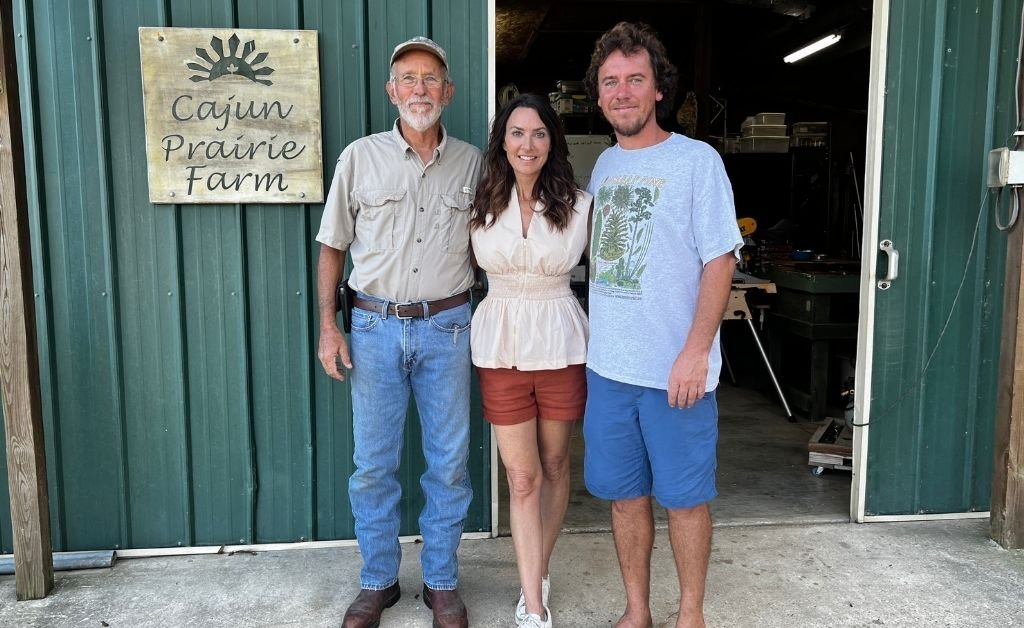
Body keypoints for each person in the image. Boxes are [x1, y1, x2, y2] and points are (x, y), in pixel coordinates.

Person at [581, 22, 743, 628]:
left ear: (657, 91)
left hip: (677, 371)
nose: (623, 92)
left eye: (635, 80)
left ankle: (691, 615)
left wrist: (696, 351)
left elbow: (719, 259)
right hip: (609, 370)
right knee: (625, 499)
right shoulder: (601, 170)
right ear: (600, 96)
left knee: (684, 498)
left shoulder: (697, 162)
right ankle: (637, 611)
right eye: (611, 82)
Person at [315, 36, 481, 628]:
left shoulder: (474, 163)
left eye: (431, 79)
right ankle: (378, 581)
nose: (419, 89)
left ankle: (441, 581)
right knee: (373, 464)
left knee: (449, 463)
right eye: (408, 78)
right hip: (374, 327)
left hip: (448, 327)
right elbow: (332, 246)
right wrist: (328, 328)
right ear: (392, 91)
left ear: (448, 92)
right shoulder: (359, 158)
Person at [469, 93, 592, 628]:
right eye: (517, 133)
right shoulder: (478, 201)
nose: (528, 144)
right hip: (499, 346)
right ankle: (534, 603)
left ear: (552, 142)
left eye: (539, 133)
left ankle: (538, 569)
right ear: (502, 141)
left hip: (561, 342)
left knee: (556, 466)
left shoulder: (581, 203)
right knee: (521, 479)